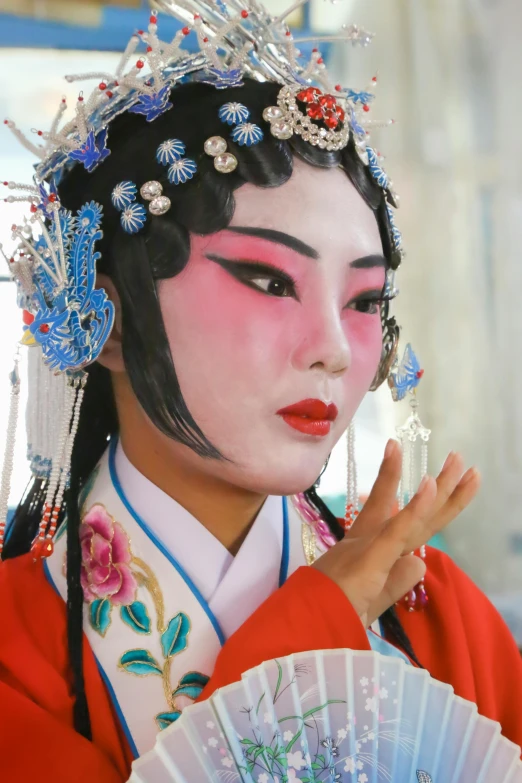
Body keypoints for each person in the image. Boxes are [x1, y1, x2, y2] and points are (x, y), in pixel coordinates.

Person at [0, 3, 521, 782]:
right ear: (102, 317)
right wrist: (307, 638)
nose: (335, 351)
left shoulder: (435, 612)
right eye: (271, 280)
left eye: (365, 302)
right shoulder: (16, 647)